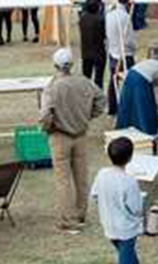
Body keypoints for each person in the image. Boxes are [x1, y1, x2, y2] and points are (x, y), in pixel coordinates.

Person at [40, 48, 107, 234]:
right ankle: (80, 215)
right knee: (81, 178)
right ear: (72, 64)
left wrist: (47, 128)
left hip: (60, 135)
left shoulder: (52, 87)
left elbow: (45, 114)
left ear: (55, 65)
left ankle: (68, 221)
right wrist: (88, 117)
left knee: (63, 181)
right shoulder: (85, 82)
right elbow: (101, 100)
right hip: (80, 134)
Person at [90, 137, 144, 264]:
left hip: (108, 224)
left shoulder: (102, 174)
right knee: (126, 256)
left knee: (127, 253)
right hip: (126, 228)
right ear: (130, 157)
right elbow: (136, 208)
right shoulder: (129, 181)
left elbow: (95, 194)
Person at [115, 58, 158, 134]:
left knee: (128, 106)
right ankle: (146, 133)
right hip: (141, 79)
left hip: (130, 75)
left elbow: (156, 93)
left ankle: (125, 129)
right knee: (144, 111)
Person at [105, 0, 136, 117]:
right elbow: (129, 39)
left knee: (113, 81)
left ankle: (112, 107)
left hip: (113, 52)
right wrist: (134, 47)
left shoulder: (109, 15)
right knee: (129, 82)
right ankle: (128, 108)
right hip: (125, 54)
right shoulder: (125, 17)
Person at [80, 0, 108, 90]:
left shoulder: (82, 18)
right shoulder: (100, 20)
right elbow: (104, 35)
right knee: (99, 79)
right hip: (98, 52)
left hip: (86, 52)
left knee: (86, 77)